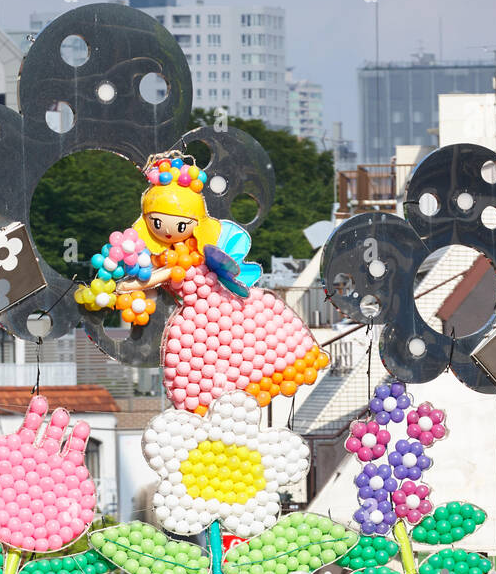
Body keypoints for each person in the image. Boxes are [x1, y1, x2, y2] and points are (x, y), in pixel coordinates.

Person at [80, 154, 329, 410]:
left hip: (217, 309)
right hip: (204, 316)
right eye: (157, 223)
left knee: (238, 347)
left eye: (178, 224)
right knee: (211, 359)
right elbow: (152, 273)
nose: (166, 230)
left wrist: (125, 286)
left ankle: (249, 384)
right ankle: (216, 400)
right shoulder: (168, 255)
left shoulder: (187, 258)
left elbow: (154, 278)